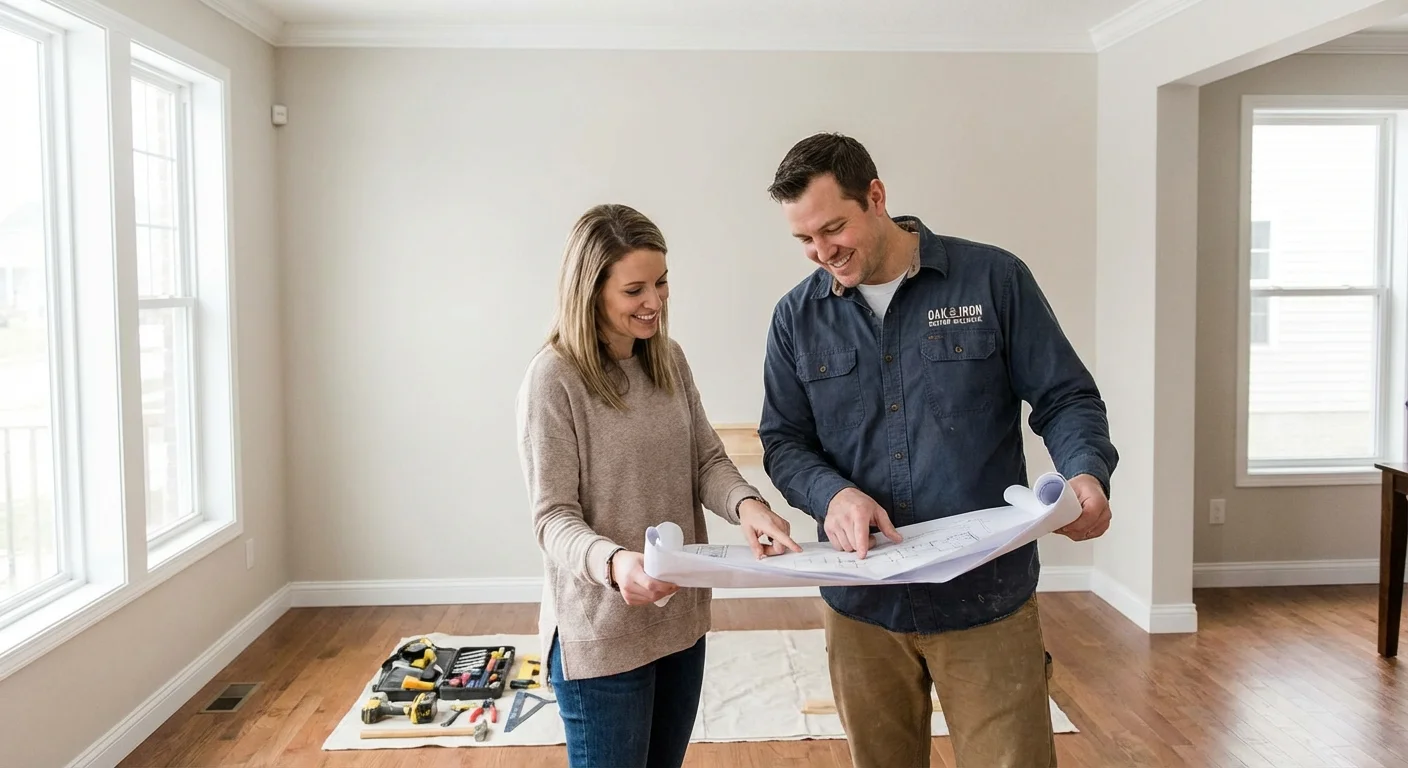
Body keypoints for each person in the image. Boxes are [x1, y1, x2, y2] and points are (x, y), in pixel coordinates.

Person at [758, 133, 1118, 768]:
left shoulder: (994, 279)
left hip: (986, 599)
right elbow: (785, 442)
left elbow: (1065, 397)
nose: (821, 253)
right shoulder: (795, 319)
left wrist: (1084, 470)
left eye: (833, 228)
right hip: (863, 606)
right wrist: (832, 494)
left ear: (876, 196)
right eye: (804, 240)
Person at [516, 203, 801, 768]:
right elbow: (553, 519)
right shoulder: (554, 379)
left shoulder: (668, 359)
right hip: (602, 634)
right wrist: (617, 563)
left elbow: (706, 461)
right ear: (590, 291)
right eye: (634, 290)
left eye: (662, 282)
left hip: (679, 622)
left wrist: (747, 505)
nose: (655, 302)